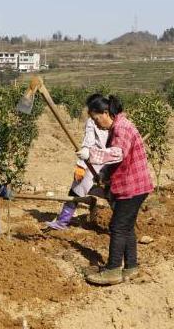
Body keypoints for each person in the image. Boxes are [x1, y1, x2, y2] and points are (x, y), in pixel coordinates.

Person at [79, 96, 153, 285]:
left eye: (97, 119)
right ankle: (131, 267)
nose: (97, 124)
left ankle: (112, 270)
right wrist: (103, 175)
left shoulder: (122, 128)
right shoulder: (118, 126)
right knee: (126, 227)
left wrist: (91, 154)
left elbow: (117, 153)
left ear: (106, 113)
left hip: (132, 187)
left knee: (118, 227)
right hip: (132, 185)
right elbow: (117, 160)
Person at [45, 93, 109, 230]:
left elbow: (88, 142)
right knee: (108, 194)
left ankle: (62, 222)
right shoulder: (110, 119)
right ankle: (125, 226)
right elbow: (90, 144)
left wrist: (80, 165)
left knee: (77, 192)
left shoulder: (94, 121)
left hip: (98, 163)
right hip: (103, 163)